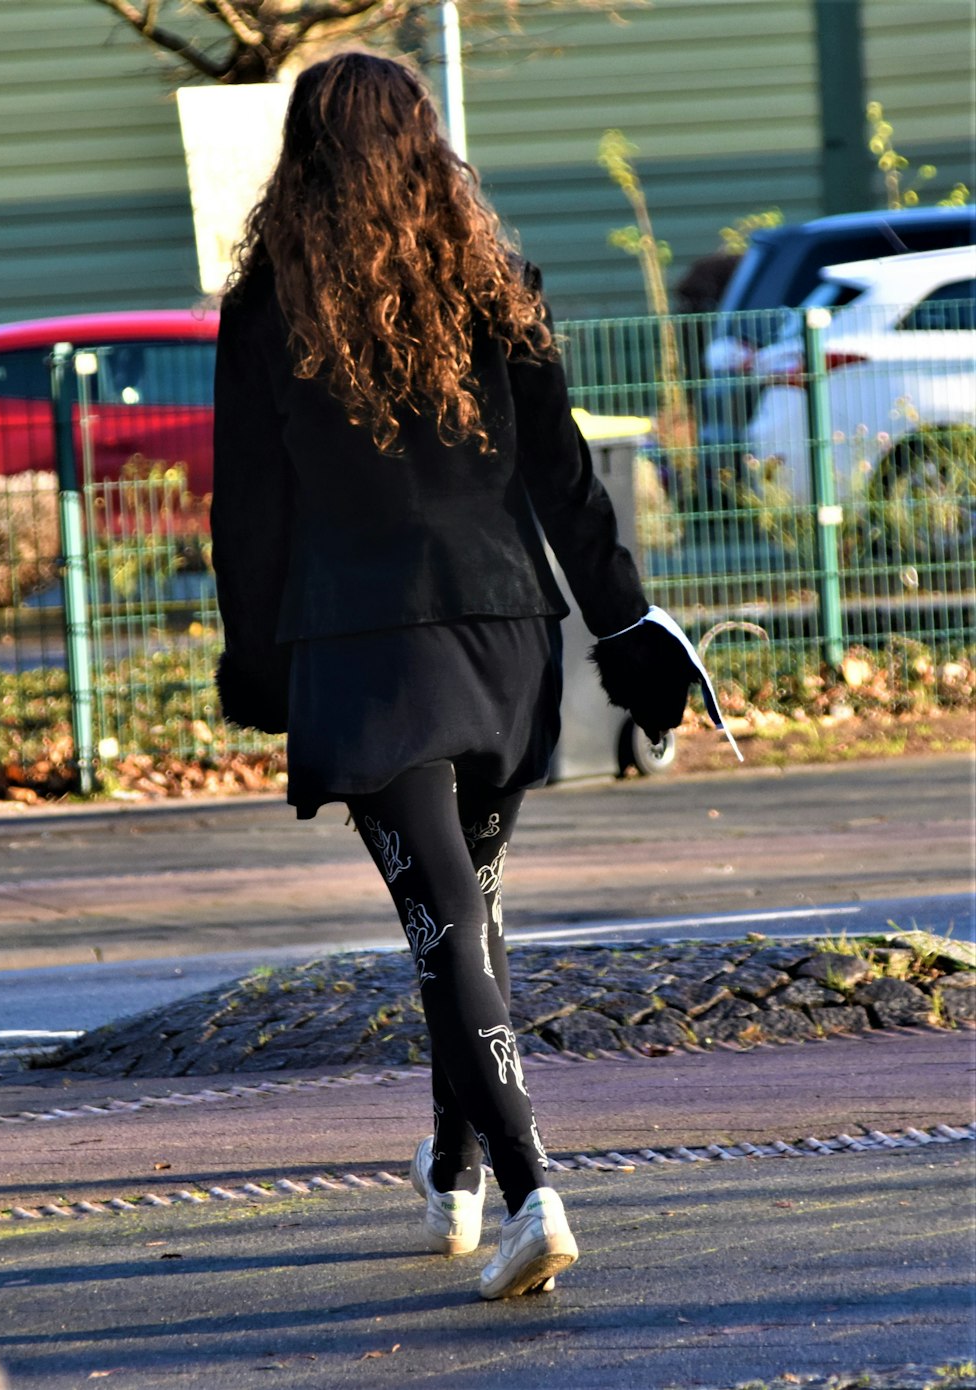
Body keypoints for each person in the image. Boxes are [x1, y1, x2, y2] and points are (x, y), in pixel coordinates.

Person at [211, 50, 696, 1301]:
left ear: (305, 157)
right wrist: (626, 627)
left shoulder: (271, 301)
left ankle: (534, 1184)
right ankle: (454, 1168)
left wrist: (256, 666)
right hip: (502, 641)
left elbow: (248, 514)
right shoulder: (495, 285)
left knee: (444, 925)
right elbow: (565, 482)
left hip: (366, 653)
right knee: (462, 912)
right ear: (428, 147)